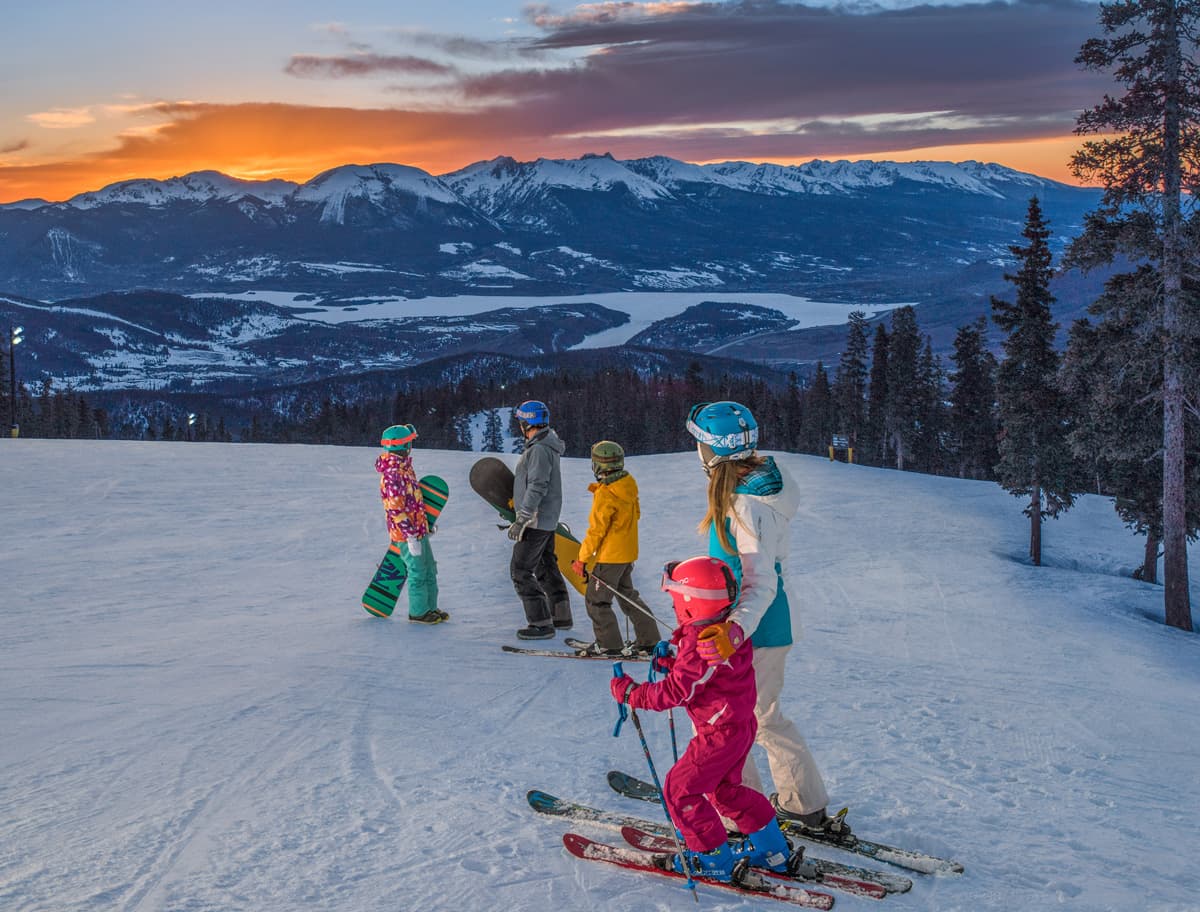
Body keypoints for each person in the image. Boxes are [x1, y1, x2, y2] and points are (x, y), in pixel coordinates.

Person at [685, 401, 848, 836]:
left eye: (700, 444)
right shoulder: (752, 490)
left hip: (751, 630)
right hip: (760, 628)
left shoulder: (746, 505)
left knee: (734, 722)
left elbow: (760, 581)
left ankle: (740, 812)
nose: (696, 452)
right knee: (758, 717)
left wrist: (733, 628)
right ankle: (802, 804)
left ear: (713, 451)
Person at [609, 556, 791, 882]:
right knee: (726, 791)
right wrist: (674, 662)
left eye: (677, 599)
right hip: (739, 726)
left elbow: (678, 691)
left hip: (718, 734)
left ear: (691, 602)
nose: (675, 607)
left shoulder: (702, 642)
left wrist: (632, 694)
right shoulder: (726, 631)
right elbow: (702, 677)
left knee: (680, 791)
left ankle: (711, 859)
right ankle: (772, 849)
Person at [569, 441, 662, 657]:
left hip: (610, 558)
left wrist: (581, 559)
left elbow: (596, 531)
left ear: (598, 466)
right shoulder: (627, 485)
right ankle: (650, 641)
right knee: (628, 596)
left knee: (596, 600)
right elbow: (635, 516)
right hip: (626, 554)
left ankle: (608, 644)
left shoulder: (606, 493)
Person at [508, 400, 573, 639]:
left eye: (521, 422)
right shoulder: (545, 445)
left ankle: (541, 623)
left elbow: (538, 485)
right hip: (546, 519)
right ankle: (561, 616)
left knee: (521, 569)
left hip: (535, 520)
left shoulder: (538, 450)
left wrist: (522, 518)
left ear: (527, 423)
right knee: (546, 566)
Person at [375, 423, 445, 624]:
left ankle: (431, 608)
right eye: (409, 443)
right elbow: (396, 509)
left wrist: (424, 525)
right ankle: (419, 612)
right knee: (417, 572)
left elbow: (414, 502)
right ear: (403, 446)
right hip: (406, 535)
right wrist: (410, 535)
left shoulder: (404, 468)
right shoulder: (392, 474)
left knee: (430, 568)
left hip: (417, 530)